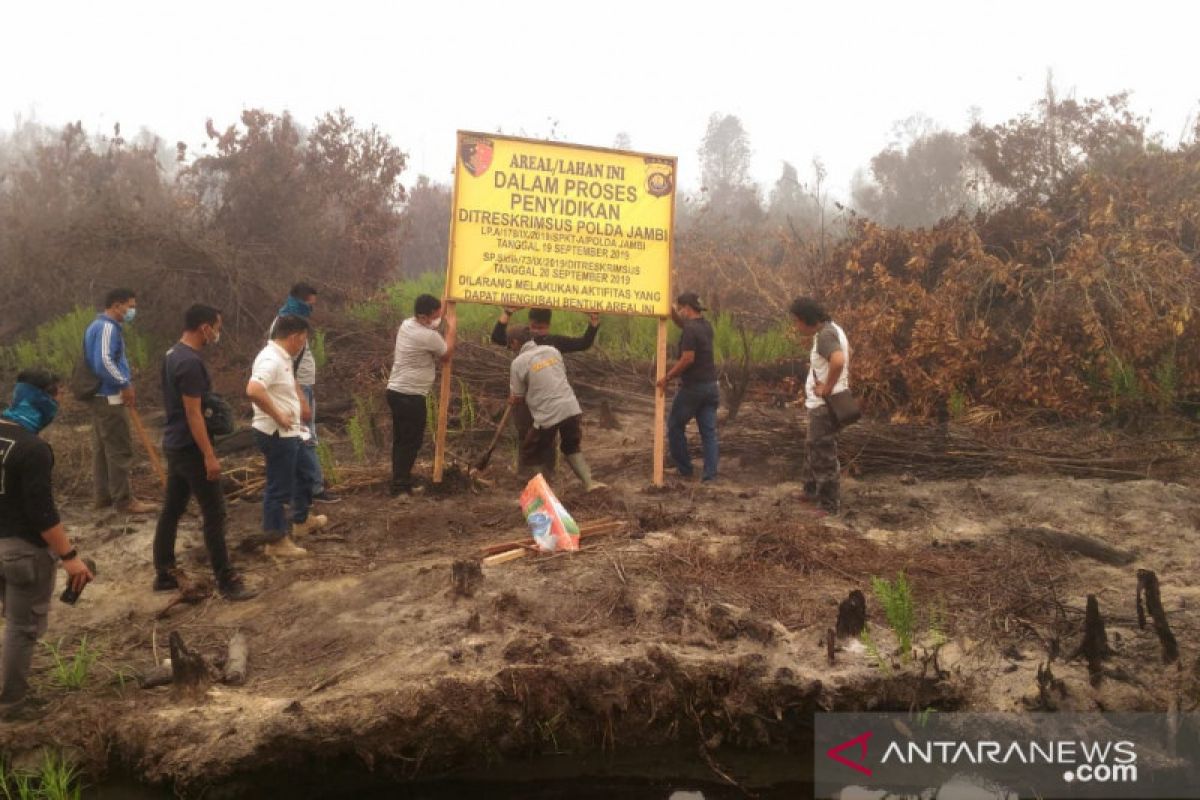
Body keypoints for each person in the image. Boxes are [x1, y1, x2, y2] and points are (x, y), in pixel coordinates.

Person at [0, 369, 94, 720]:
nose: (59, 403)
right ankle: (11, 706)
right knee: (21, 628)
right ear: (40, 396)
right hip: (22, 552)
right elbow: (43, 513)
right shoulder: (33, 448)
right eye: (56, 396)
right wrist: (70, 557)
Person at [153, 305, 256, 600]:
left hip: (174, 444)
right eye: (217, 326)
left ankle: (164, 572)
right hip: (191, 448)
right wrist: (209, 455)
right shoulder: (190, 363)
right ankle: (228, 581)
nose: (218, 332)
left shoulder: (172, 355)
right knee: (214, 514)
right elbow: (193, 413)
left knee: (172, 509)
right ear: (204, 328)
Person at [246, 315, 325, 558]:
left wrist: (300, 401)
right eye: (303, 339)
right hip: (277, 433)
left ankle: (301, 520)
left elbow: (288, 382)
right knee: (278, 488)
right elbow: (254, 390)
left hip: (292, 432)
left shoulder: (283, 357)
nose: (303, 344)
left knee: (305, 474)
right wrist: (279, 415)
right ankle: (276, 540)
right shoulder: (270, 359)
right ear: (294, 337)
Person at [491, 306, 600, 476]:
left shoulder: (553, 343)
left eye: (541, 328)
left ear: (548, 326)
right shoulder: (522, 338)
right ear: (529, 325)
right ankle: (526, 475)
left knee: (548, 439)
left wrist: (593, 323)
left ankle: (548, 474)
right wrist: (507, 313)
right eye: (534, 327)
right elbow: (497, 337)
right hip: (524, 399)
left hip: (546, 400)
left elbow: (583, 343)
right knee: (525, 437)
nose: (537, 332)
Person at [82, 288, 158, 514]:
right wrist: (124, 383)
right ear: (117, 305)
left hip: (101, 397)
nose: (132, 311)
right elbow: (103, 362)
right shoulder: (106, 327)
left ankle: (104, 498)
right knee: (118, 449)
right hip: (109, 397)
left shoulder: (99, 326)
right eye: (130, 306)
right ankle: (124, 501)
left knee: (102, 449)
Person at [508, 325, 605, 492]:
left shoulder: (518, 363)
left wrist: (513, 398)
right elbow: (556, 376)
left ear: (516, 342)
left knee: (530, 450)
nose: (511, 349)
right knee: (570, 445)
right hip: (571, 407)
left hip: (547, 414)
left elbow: (518, 397)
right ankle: (590, 483)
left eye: (510, 345)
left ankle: (545, 490)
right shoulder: (553, 351)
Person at [270, 282, 339, 504]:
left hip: (302, 388)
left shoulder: (294, 323)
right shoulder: (284, 326)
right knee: (306, 438)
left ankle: (303, 486)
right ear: (299, 302)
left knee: (303, 437)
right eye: (309, 304)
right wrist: (300, 397)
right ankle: (314, 488)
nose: (311, 309)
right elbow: (285, 365)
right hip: (296, 390)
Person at [386, 294, 454, 498]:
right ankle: (400, 489)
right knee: (409, 442)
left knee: (402, 441)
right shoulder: (427, 336)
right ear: (424, 317)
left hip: (397, 392)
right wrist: (452, 327)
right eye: (436, 316)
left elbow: (433, 323)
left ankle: (401, 483)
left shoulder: (408, 324)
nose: (438, 319)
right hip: (410, 396)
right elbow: (447, 354)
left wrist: (444, 300)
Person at [790, 297, 850, 515]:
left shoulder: (826, 335)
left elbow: (838, 360)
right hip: (823, 404)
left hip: (825, 405)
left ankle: (828, 504)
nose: (796, 326)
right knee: (813, 447)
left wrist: (826, 387)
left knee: (823, 453)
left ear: (806, 319)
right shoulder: (832, 329)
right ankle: (811, 489)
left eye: (797, 321)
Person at [658, 292, 719, 482]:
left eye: (680, 308)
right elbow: (682, 324)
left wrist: (667, 377)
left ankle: (685, 469)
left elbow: (688, 358)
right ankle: (710, 475)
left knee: (674, 426)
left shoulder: (690, 330)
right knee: (708, 432)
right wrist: (669, 310)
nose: (679, 312)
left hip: (693, 388)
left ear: (687, 308)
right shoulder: (704, 326)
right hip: (711, 387)